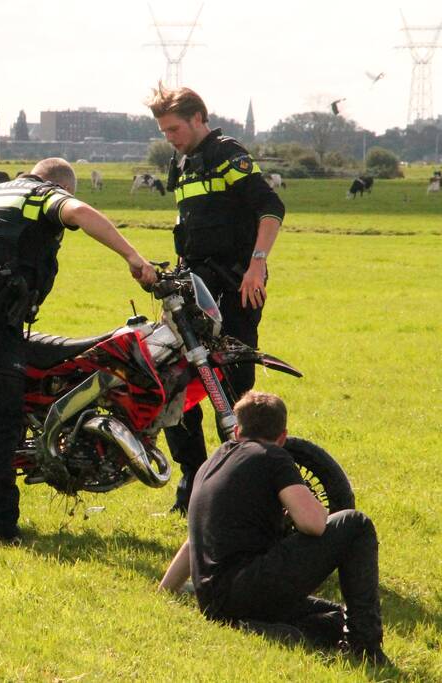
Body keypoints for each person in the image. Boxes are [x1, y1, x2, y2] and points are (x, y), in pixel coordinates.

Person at [0, 158, 157, 542]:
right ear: (63, 186)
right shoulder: (43, 194)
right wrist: (133, 257)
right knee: (1, 422)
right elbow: (81, 212)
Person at [158, 391, 388, 666]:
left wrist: (165, 590)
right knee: (356, 524)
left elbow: (194, 541)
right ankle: (365, 649)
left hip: (214, 600)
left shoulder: (211, 463)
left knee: (337, 618)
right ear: (283, 436)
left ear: (236, 430)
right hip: (244, 587)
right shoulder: (273, 456)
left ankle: (266, 629)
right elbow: (313, 524)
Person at [146, 84, 286, 514]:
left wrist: (257, 264)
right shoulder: (182, 163)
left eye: (174, 128)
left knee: (232, 387)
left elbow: (271, 208)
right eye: (164, 130)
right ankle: (193, 481)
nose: (169, 137)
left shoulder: (228, 154)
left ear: (198, 119)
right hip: (193, 289)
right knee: (173, 382)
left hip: (235, 286)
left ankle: (242, 482)